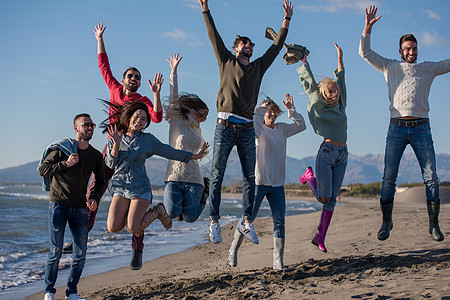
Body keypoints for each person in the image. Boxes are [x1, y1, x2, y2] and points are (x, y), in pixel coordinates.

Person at [61, 23, 164, 260]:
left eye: (138, 77)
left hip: (132, 155)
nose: (135, 79)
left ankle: (137, 248)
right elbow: (103, 65)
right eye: (131, 76)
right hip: (111, 151)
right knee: (93, 194)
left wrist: (157, 95)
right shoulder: (115, 89)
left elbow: (156, 118)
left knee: (133, 202)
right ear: (124, 79)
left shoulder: (143, 100)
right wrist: (99, 39)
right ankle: (79, 239)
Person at [198, 0, 293, 244]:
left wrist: (286, 21)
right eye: (243, 44)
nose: (248, 47)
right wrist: (205, 9)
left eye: (250, 45)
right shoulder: (226, 61)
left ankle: (247, 223)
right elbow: (213, 35)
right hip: (225, 127)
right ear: (236, 48)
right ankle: (215, 223)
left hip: (247, 128)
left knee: (250, 178)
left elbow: (276, 47)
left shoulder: (259, 67)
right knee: (217, 175)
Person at [359, 6, 450, 242]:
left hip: (422, 128)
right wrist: (367, 27)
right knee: (389, 177)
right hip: (396, 128)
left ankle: (434, 224)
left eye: (414, 48)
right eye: (408, 48)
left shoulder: (428, 68)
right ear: (400, 50)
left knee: (431, 177)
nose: (412, 51)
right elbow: (365, 53)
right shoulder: (390, 66)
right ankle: (386, 222)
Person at [104, 98, 209, 271]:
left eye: (143, 119)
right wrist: (115, 145)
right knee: (113, 227)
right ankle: (151, 216)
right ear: (129, 116)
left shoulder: (147, 140)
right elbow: (110, 163)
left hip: (140, 188)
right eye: (137, 116)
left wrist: (192, 156)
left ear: (146, 123)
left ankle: (158, 211)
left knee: (132, 226)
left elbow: (169, 151)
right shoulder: (116, 137)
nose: (139, 121)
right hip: (120, 187)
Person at [228, 94, 306, 270]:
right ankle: (233, 249)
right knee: (248, 219)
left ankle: (278, 260)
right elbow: (255, 117)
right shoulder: (257, 130)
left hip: (277, 185)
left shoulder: (282, 129)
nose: (272, 116)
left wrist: (291, 111)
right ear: (263, 113)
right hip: (259, 182)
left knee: (279, 221)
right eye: (269, 113)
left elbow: (302, 126)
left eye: (274, 113)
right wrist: (262, 106)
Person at [38, 113, 105, 300]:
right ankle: (49, 292)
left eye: (91, 124)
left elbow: (101, 180)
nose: (90, 127)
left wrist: (94, 197)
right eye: (86, 125)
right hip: (58, 206)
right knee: (55, 252)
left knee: (80, 254)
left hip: (80, 209)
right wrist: (65, 163)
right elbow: (43, 169)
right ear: (76, 128)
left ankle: (72, 293)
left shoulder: (95, 155)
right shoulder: (63, 149)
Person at [297, 43, 347, 253]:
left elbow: (342, 80)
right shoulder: (318, 103)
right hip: (326, 153)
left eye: (336, 90)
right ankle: (309, 176)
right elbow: (310, 86)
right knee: (323, 197)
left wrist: (340, 59)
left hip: (343, 154)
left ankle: (320, 237)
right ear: (324, 92)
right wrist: (304, 63)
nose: (334, 93)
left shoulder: (341, 104)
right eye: (330, 90)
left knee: (331, 200)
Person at [163, 53, 210, 222]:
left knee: (190, 218)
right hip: (174, 177)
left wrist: (204, 150)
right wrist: (173, 71)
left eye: (205, 117)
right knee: (172, 213)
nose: (203, 119)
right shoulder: (176, 120)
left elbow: (200, 148)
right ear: (192, 109)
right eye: (201, 114)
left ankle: (204, 194)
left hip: (194, 179)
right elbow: (173, 96)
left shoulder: (198, 130)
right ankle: (181, 204)